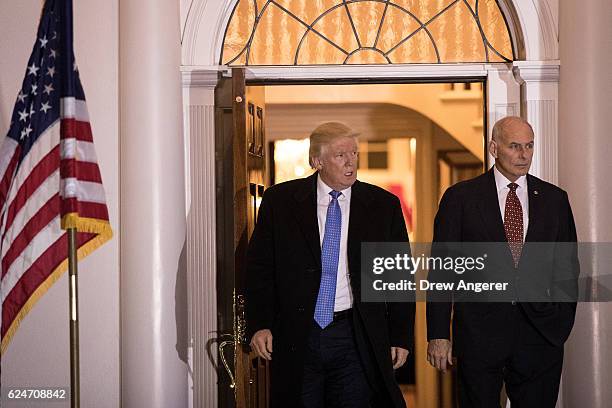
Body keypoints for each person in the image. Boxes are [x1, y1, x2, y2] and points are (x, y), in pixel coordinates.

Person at [246, 122, 415, 407]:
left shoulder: (383, 205)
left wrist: (400, 335)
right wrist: (260, 324)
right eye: (340, 155)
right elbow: (260, 269)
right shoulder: (280, 201)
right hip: (298, 332)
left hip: (354, 333)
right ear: (317, 161)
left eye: (354, 154)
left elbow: (398, 275)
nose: (351, 162)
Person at [426, 116, 579, 407]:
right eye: (515, 146)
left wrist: (560, 323)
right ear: (494, 148)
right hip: (478, 336)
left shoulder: (554, 199)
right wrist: (438, 334)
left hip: (540, 335)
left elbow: (567, 267)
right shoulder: (460, 198)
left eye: (529, 146)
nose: (524, 155)